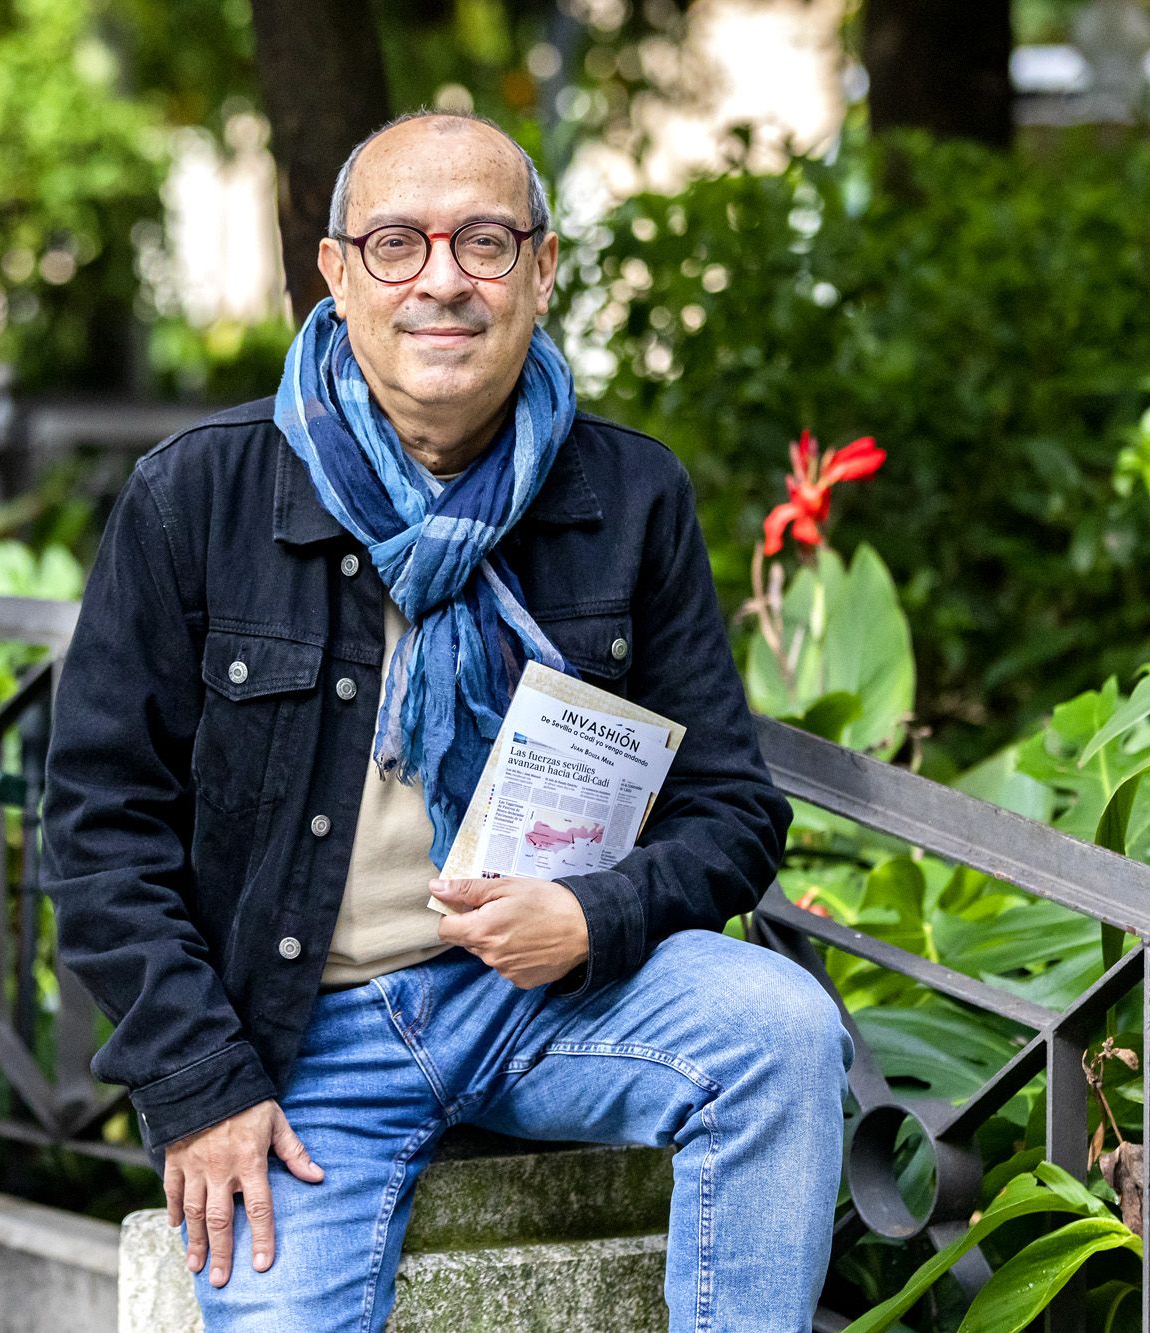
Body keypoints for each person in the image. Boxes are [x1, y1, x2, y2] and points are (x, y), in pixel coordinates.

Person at [42, 109, 852, 1332]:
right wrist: (198, 1084)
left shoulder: (626, 494)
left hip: (544, 996)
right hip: (297, 1033)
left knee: (781, 1032)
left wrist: (591, 914)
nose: (442, 281)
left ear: (541, 268)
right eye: (396, 244)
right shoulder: (198, 494)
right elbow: (99, 832)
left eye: (483, 242)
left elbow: (731, 809)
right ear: (333, 271)